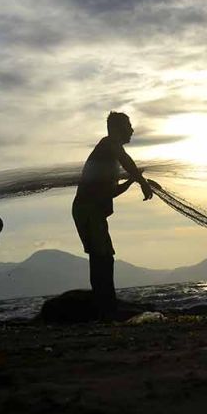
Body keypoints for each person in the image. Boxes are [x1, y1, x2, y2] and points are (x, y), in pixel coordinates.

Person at [72, 111, 153, 318]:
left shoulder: (109, 158)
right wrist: (142, 183)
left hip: (91, 211)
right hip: (87, 209)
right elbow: (127, 160)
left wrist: (132, 182)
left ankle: (106, 304)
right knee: (102, 257)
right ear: (117, 129)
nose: (132, 130)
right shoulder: (109, 144)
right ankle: (105, 307)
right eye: (129, 125)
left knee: (105, 257)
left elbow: (111, 192)